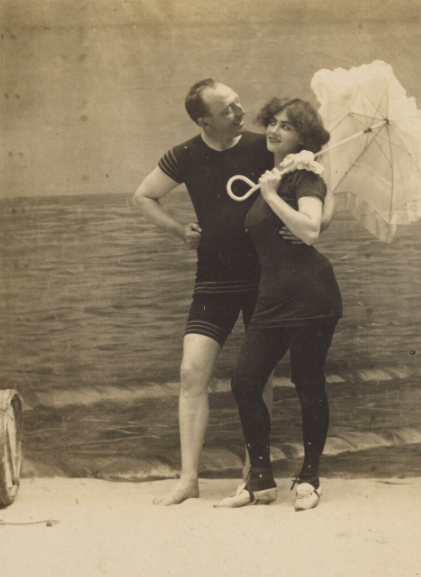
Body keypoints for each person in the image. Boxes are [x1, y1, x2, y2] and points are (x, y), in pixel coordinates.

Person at [133, 81, 333, 506]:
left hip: (266, 279)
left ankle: (253, 474)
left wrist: (319, 223)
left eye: (239, 103)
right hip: (215, 279)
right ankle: (189, 479)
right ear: (205, 120)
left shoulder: (271, 147)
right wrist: (178, 230)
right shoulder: (184, 154)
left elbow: (318, 179)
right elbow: (143, 196)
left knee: (255, 378)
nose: (242, 111)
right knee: (192, 372)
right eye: (229, 109)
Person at [214, 98, 342, 511]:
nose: (274, 130)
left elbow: (310, 232)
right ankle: (261, 481)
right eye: (272, 122)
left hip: (311, 294)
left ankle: (310, 479)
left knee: (308, 383)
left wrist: (271, 196)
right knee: (245, 382)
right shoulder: (276, 174)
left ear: (303, 137)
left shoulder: (305, 176)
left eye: (286, 127)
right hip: (273, 296)